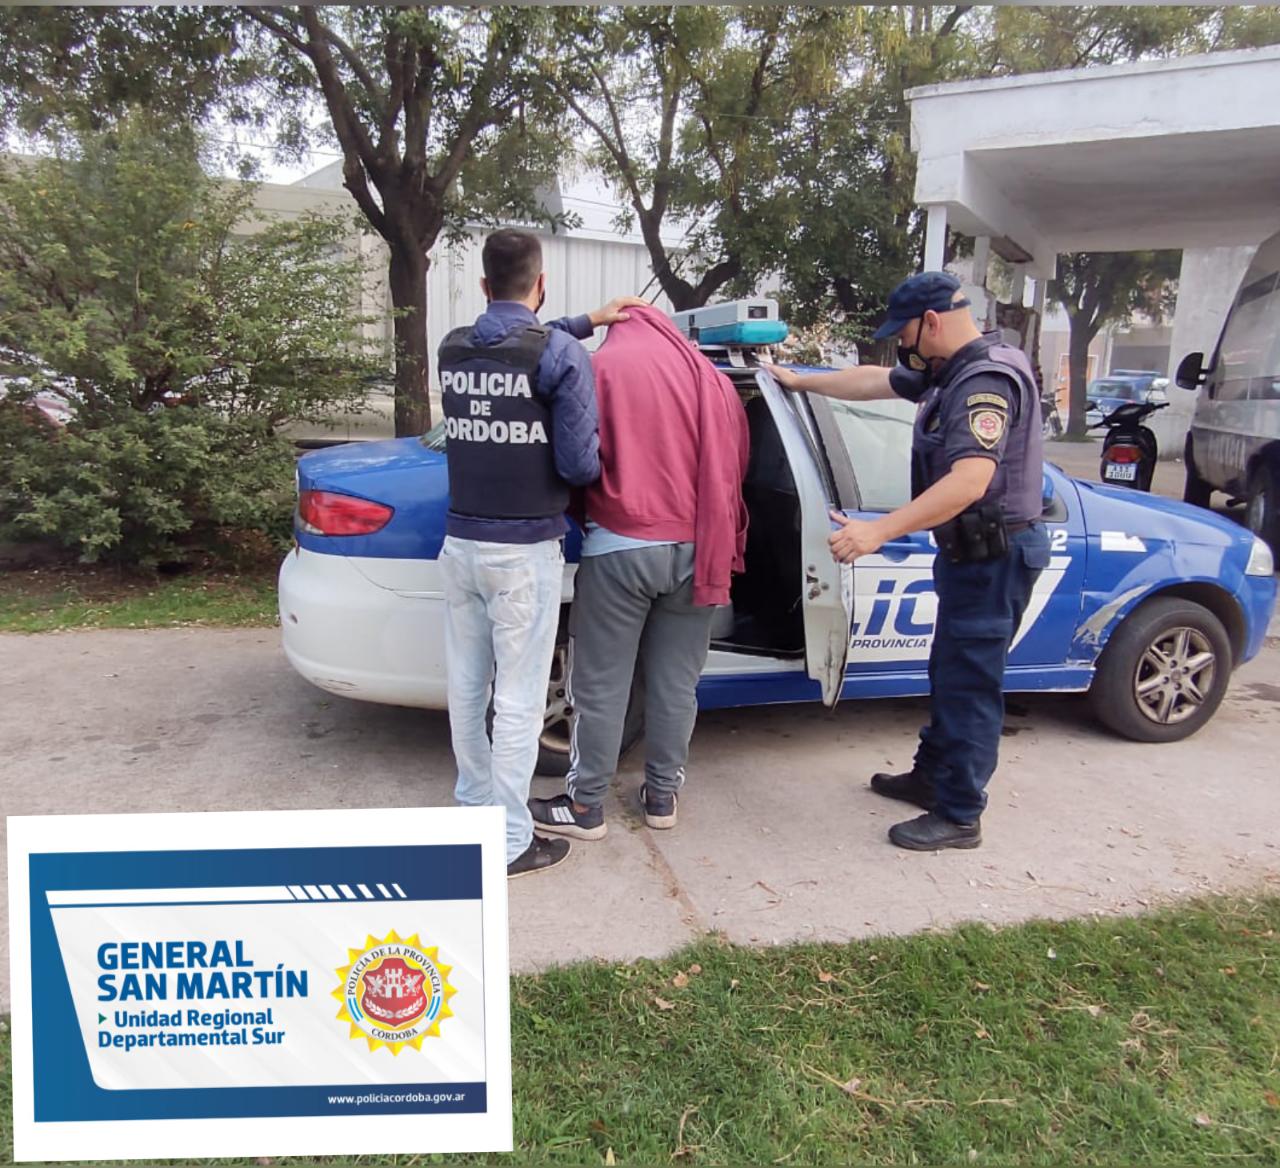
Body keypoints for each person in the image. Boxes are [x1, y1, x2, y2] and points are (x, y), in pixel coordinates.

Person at [761, 271, 1048, 851]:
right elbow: (875, 380)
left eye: (905, 333)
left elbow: (970, 481)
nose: (903, 345)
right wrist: (800, 381)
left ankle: (960, 814)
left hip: (994, 557)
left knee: (970, 683)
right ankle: (932, 777)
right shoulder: (952, 369)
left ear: (932, 321)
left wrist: (878, 531)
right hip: (969, 553)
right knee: (949, 669)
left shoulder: (985, 381)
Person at [437, 227, 645, 878]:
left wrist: (587, 321)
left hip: (460, 545)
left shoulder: (453, 347)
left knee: (466, 687)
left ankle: (473, 813)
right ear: (542, 283)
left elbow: (513, 340)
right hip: (524, 553)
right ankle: (508, 841)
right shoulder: (558, 356)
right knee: (520, 701)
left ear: (483, 285)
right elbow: (579, 465)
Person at [528, 305, 749, 841]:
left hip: (620, 548)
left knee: (601, 685)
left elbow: (572, 455)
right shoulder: (714, 382)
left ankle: (585, 806)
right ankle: (662, 796)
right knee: (677, 684)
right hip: (699, 552)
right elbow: (736, 468)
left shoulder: (599, 369)